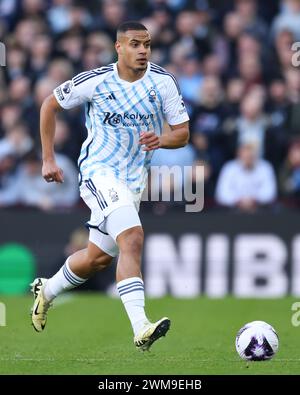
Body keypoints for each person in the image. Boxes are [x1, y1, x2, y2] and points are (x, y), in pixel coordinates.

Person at [30, 21, 190, 351]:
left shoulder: (163, 83)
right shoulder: (97, 81)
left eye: (147, 44)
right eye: (135, 44)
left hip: (133, 182)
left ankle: (46, 291)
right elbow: (49, 105)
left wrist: (161, 139)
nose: (143, 50)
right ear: (119, 48)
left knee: (97, 259)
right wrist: (48, 158)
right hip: (98, 173)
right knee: (132, 236)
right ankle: (141, 327)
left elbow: (182, 133)